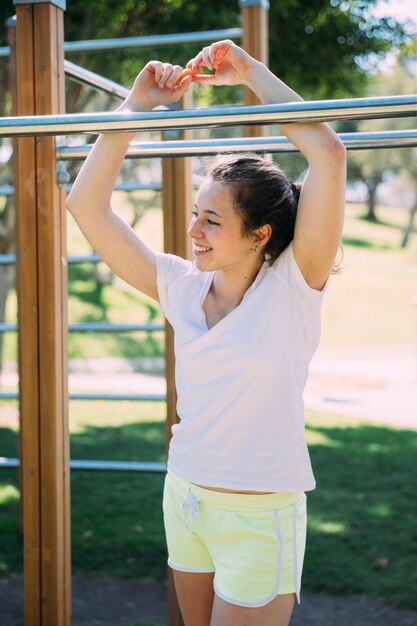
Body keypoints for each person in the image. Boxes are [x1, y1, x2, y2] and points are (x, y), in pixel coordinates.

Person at [66, 40, 346, 626]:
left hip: (259, 514)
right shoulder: (181, 284)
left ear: (261, 234)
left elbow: (328, 154)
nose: (193, 230)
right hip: (187, 499)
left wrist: (250, 73)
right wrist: (135, 106)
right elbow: (86, 205)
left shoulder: (296, 285)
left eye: (212, 220)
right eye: (196, 212)